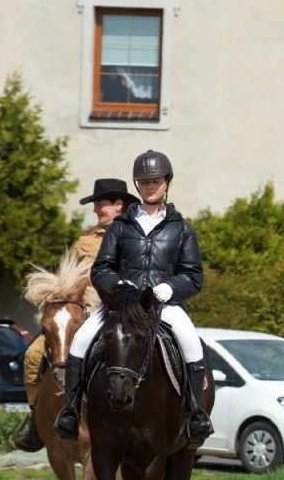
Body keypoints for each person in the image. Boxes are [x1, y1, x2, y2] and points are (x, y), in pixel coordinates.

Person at [52, 151, 212, 448]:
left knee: (190, 342)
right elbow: (101, 270)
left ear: (167, 182)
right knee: (82, 338)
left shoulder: (182, 229)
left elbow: (193, 276)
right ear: (137, 186)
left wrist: (169, 289)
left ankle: (196, 415)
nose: (150, 186)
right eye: (144, 182)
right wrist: (119, 285)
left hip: (163, 306)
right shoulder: (120, 227)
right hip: (123, 306)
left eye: (155, 181)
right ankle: (71, 412)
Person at [13, 177, 138, 452]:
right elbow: (68, 278)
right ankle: (37, 421)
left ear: (119, 205)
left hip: (116, 312)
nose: (96, 210)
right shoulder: (85, 241)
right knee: (34, 355)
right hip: (79, 314)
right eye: (95, 206)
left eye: (101, 205)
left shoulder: (135, 236)